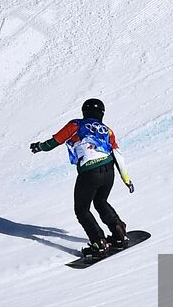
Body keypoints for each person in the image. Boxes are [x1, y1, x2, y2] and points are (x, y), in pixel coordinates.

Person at [30, 98, 134, 258]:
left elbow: (55, 141)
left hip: (90, 172)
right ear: (102, 114)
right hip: (109, 171)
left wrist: (39, 147)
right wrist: (126, 179)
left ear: (84, 112)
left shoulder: (76, 124)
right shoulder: (107, 130)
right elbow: (117, 154)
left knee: (82, 209)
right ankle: (119, 233)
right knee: (101, 202)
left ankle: (99, 244)